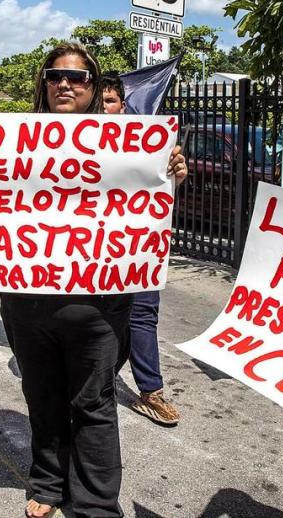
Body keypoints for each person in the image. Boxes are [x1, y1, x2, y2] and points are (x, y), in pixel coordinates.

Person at [0, 45, 187, 518]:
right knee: (41, 397)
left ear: (93, 86)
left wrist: (171, 179)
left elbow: (146, 210)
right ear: (43, 83)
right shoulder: (10, 140)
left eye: (79, 78)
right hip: (28, 299)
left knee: (93, 404)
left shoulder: (130, 144)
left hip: (99, 305)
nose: (66, 84)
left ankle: (96, 505)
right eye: (56, 75)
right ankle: (47, 483)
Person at [101, 73, 180, 426]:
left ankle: (151, 392)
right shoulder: (67, 142)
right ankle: (98, 376)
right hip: (88, 252)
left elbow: (165, 186)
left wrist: (177, 172)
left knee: (143, 312)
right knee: (101, 321)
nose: (104, 109)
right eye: (98, 102)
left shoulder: (147, 142)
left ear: (122, 105)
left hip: (137, 247)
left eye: (111, 102)